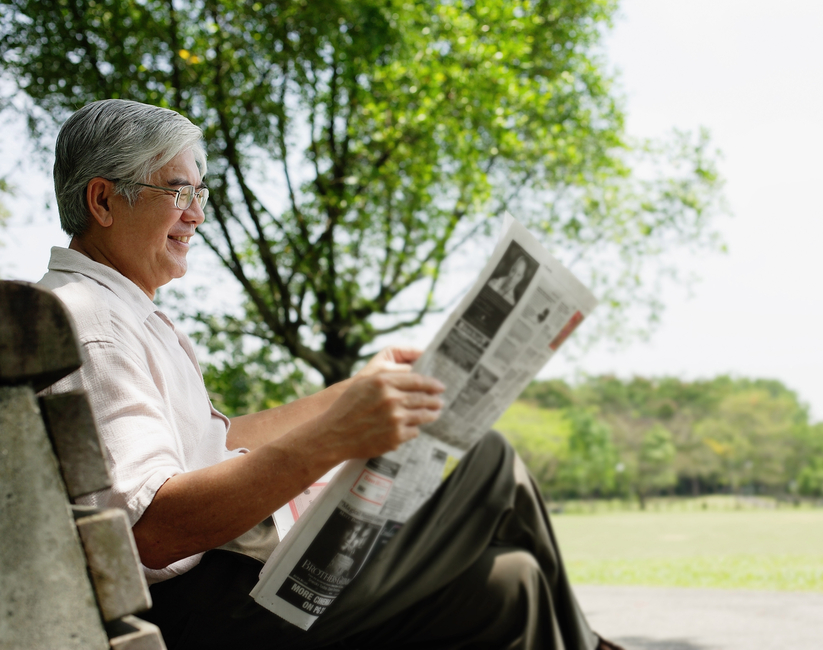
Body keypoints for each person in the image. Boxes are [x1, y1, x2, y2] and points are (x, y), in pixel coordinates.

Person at [38, 99, 623, 650]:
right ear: (104, 201)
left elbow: (217, 445)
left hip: (229, 587)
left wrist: (348, 395)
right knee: (489, 461)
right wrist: (335, 438)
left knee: (510, 583)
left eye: (200, 192)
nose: (195, 213)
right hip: (215, 609)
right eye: (177, 190)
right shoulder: (94, 323)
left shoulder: (115, 312)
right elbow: (152, 528)